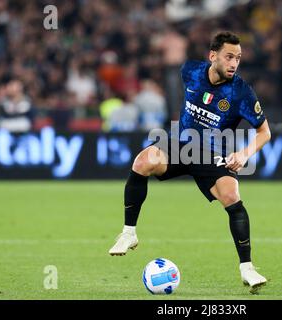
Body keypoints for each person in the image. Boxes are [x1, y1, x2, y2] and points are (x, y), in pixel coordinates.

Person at [108, 31, 271, 294]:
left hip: (210, 153)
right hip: (180, 145)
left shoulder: (241, 92)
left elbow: (265, 132)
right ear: (212, 56)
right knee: (142, 161)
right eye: (229, 56)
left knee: (231, 195)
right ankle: (129, 232)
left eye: (238, 58)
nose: (234, 63)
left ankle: (247, 269)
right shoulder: (191, 71)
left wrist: (243, 154)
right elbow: (164, 65)